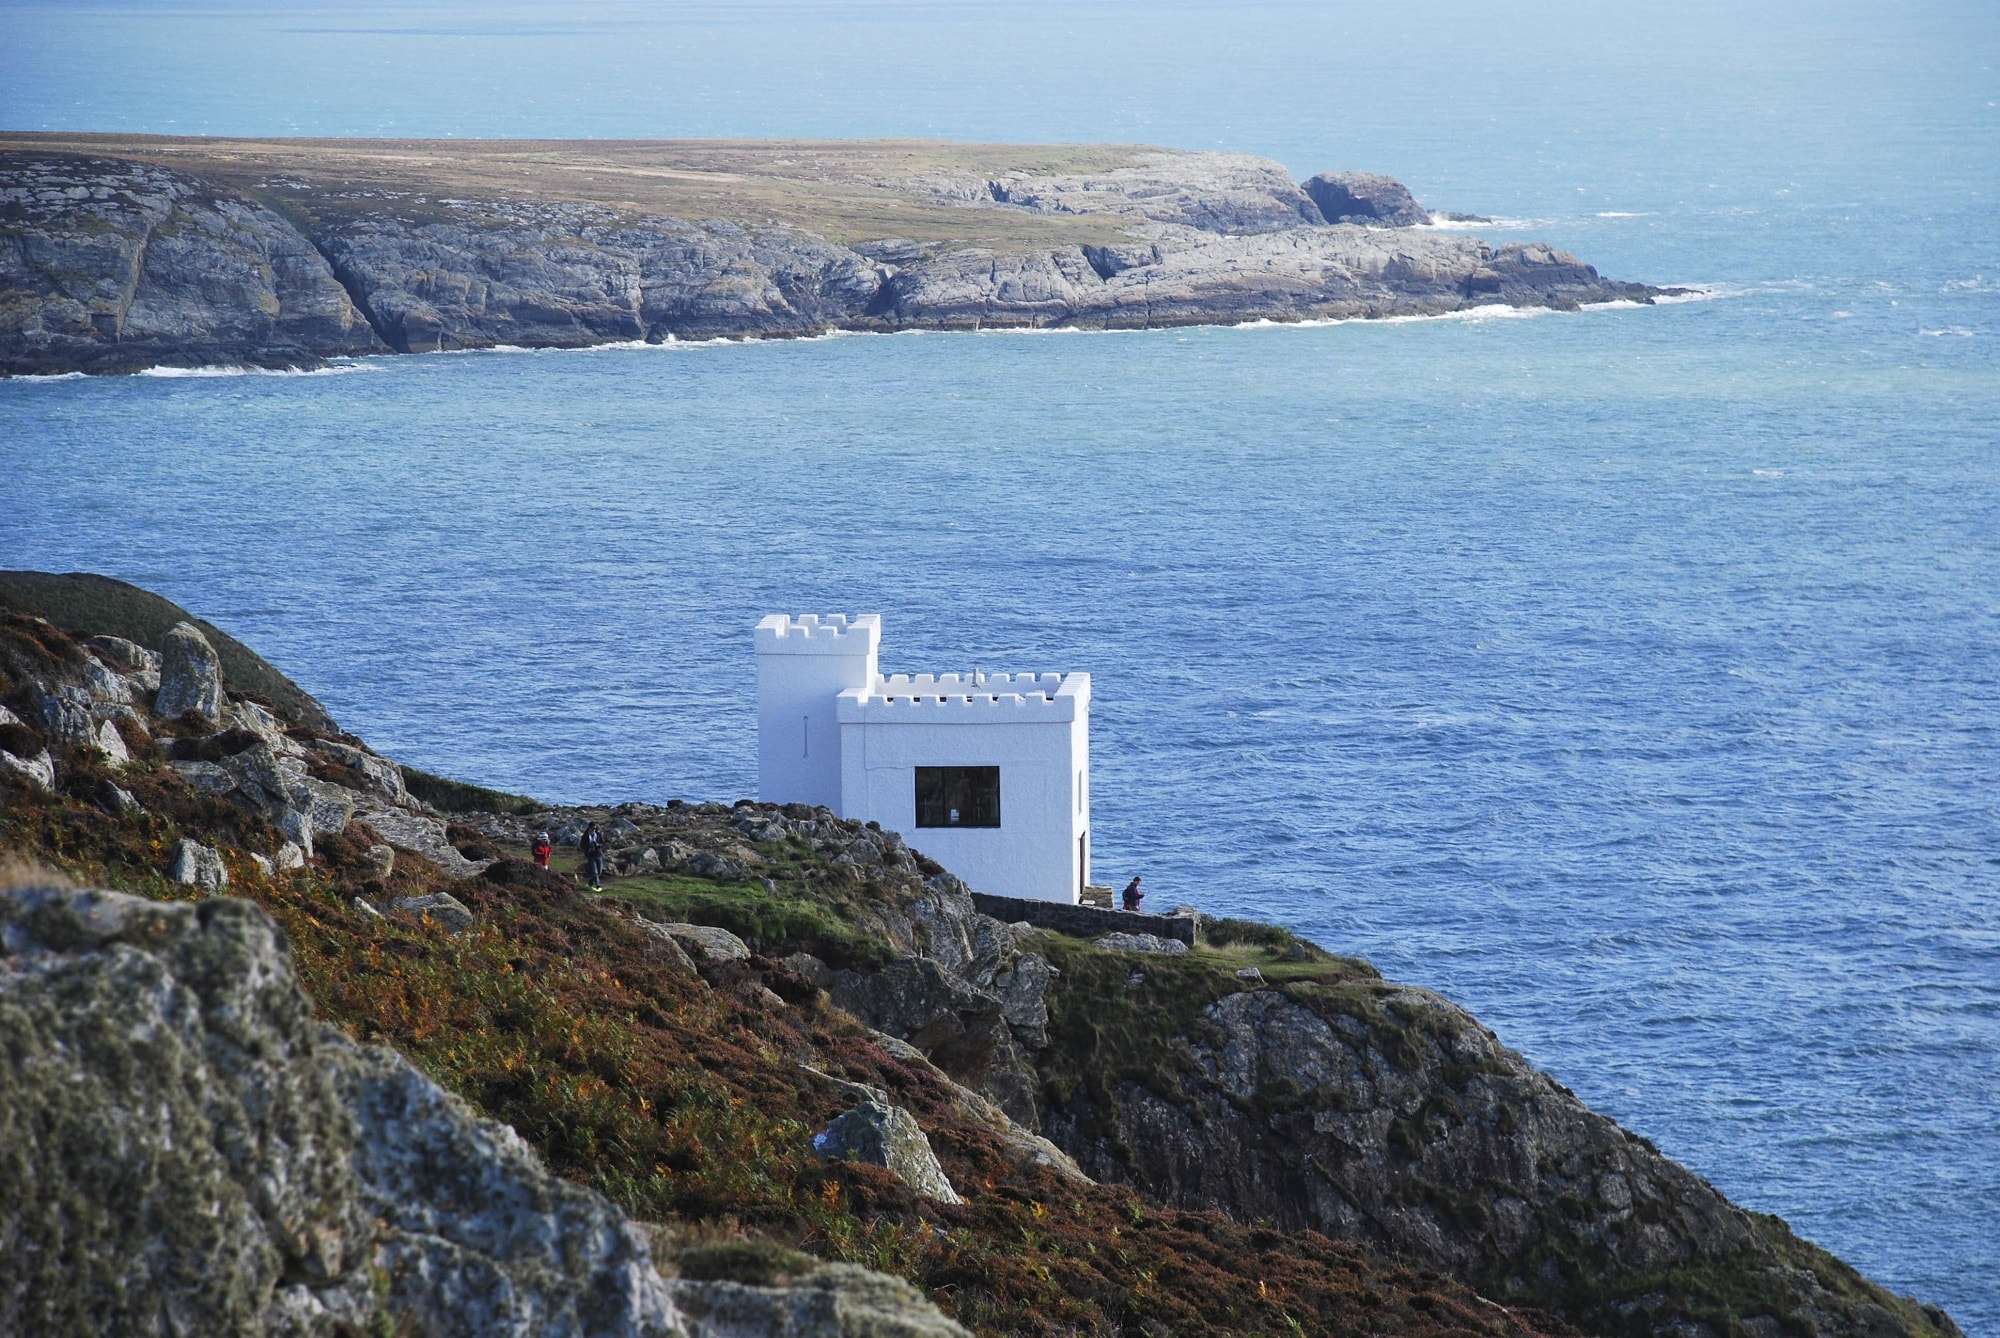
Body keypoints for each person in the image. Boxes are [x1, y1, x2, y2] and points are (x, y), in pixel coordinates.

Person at [581, 821, 606, 891]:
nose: (594, 830)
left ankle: (590, 883)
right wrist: (588, 847)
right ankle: (598, 885)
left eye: (595, 828)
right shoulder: (585, 836)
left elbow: (603, 843)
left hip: (598, 854)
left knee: (599, 871)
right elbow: (581, 845)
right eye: (592, 828)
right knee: (595, 872)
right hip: (590, 855)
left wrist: (598, 845)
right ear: (589, 828)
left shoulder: (598, 834)